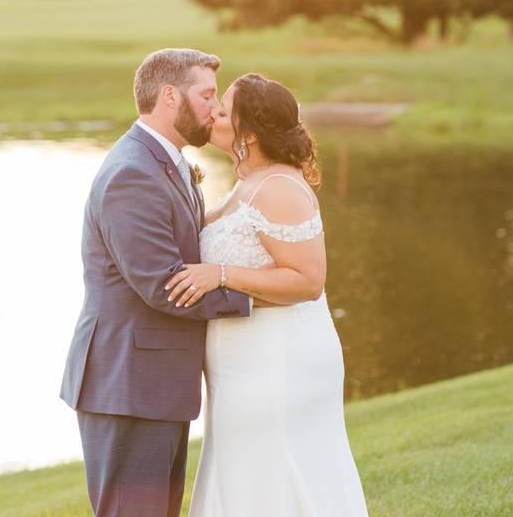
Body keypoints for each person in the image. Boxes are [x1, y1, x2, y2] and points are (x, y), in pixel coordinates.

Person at [59, 48, 253, 517]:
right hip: (128, 386)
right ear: (170, 96)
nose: (215, 108)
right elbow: (164, 286)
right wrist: (257, 296)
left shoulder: (167, 162)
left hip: (154, 386)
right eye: (206, 95)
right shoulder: (133, 173)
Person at [165, 73, 369, 516]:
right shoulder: (249, 181)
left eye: (224, 109)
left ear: (250, 134)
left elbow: (308, 281)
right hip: (243, 360)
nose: (214, 112)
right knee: (245, 475)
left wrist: (219, 273)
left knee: (276, 473)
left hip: (279, 360)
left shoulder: (280, 187)